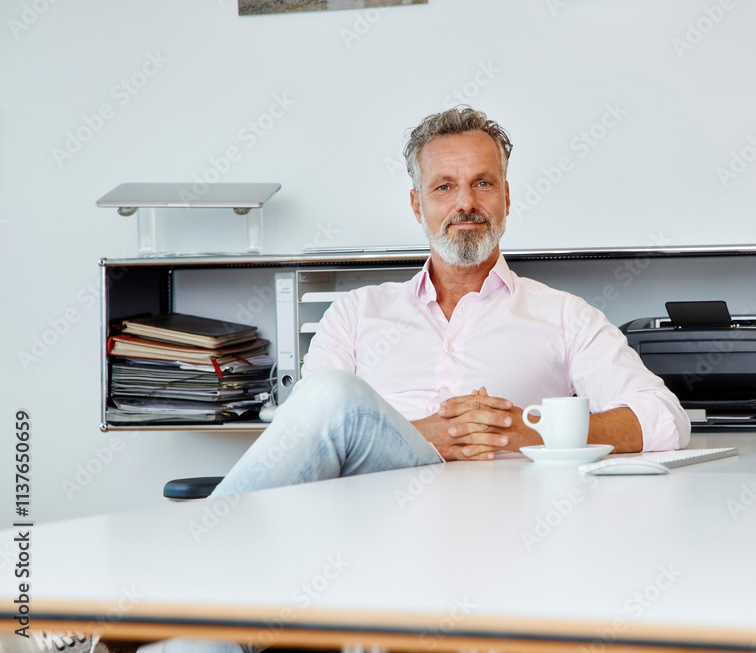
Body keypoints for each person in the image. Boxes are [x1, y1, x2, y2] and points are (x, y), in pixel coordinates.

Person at [211, 106, 689, 498]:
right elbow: (303, 429)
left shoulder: (565, 315)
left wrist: (529, 430)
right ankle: (228, 536)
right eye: (444, 187)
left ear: (506, 198)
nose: (466, 204)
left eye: (483, 183)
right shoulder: (356, 314)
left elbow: (663, 418)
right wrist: (428, 434)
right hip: (372, 522)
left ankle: (217, 536)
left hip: (510, 521)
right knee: (333, 395)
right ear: (417, 205)